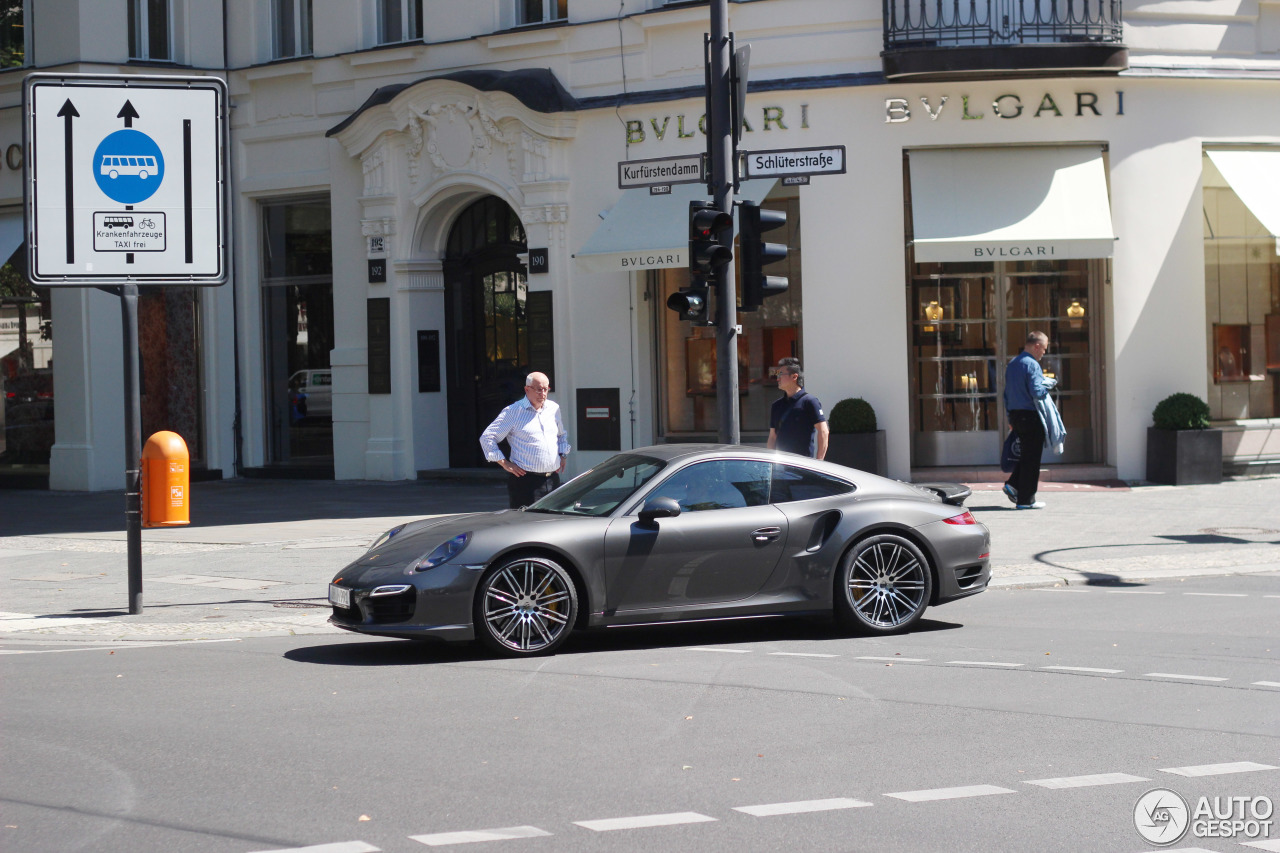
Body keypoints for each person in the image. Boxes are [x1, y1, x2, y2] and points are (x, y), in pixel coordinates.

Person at [480, 371, 570, 509]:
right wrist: (505, 463)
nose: (543, 394)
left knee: (553, 524)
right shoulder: (513, 411)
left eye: (546, 389)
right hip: (526, 482)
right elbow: (487, 438)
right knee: (527, 525)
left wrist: (562, 454)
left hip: (553, 480)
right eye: (539, 389)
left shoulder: (553, 408)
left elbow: (561, 435)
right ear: (527, 389)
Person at [1002, 331, 1056, 510]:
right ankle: (1026, 500)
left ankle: (1014, 485)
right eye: (1044, 349)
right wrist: (1048, 384)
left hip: (1016, 415)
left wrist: (1010, 416)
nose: (1044, 353)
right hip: (1031, 415)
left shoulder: (1013, 363)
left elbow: (1006, 393)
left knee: (1027, 455)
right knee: (1032, 459)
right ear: (1037, 346)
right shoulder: (1032, 365)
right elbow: (1036, 391)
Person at [767, 357, 829, 459]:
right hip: (781, 466)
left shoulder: (810, 401)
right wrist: (770, 463)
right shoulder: (776, 405)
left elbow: (823, 431)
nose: (778, 378)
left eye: (781, 374)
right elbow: (772, 437)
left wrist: (819, 462)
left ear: (794, 376)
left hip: (803, 467)